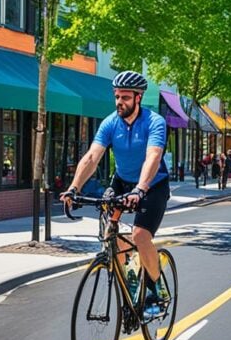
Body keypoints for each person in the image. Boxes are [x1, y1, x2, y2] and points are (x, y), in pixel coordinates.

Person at [60, 71, 170, 320]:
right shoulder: (110, 122)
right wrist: (74, 188)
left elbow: (153, 157)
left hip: (152, 185)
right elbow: (92, 157)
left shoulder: (154, 122)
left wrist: (141, 189)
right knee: (111, 233)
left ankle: (155, 290)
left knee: (140, 235)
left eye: (125, 97)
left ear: (138, 98)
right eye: (116, 96)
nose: (119, 102)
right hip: (121, 182)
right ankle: (132, 279)